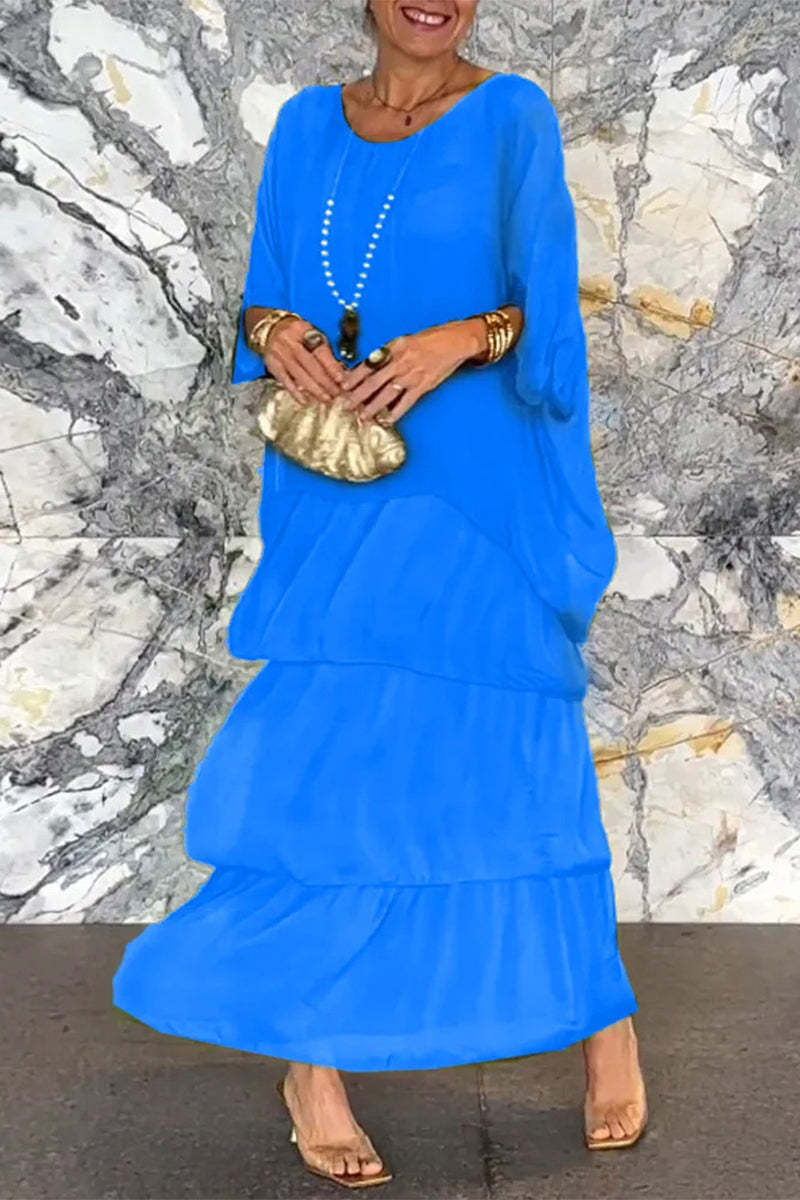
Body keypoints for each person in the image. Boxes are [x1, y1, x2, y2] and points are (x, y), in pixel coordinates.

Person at [112, 0, 648, 1189]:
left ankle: (600, 1019)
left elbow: (545, 304)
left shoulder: (509, 116)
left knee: (511, 751)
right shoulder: (308, 125)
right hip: (340, 482)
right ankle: (311, 1067)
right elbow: (262, 294)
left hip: (477, 482)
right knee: (331, 761)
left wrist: (461, 339)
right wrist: (276, 332)